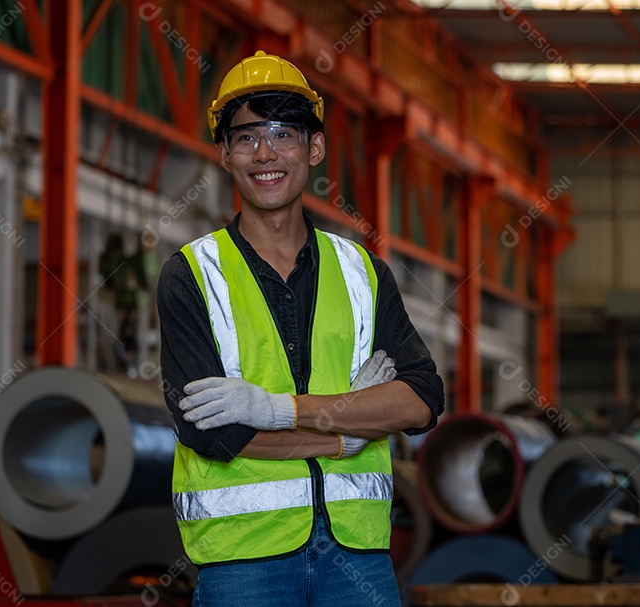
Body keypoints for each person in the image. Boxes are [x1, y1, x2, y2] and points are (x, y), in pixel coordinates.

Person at [156, 51, 444, 607]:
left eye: (283, 132)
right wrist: (346, 434)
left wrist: (279, 411)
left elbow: (422, 400)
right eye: (245, 137)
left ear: (315, 148)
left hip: (356, 558)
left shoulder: (363, 272)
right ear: (224, 154)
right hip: (244, 564)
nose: (265, 153)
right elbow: (211, 434)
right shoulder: (191, 276)